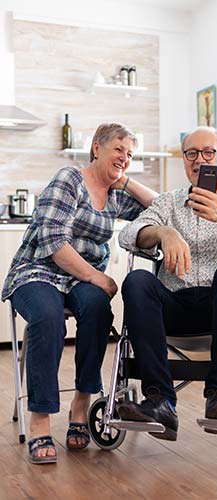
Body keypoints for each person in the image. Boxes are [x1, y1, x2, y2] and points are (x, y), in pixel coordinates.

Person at [1, 122, 158, 464]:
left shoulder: (115, 194)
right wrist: (97, 278)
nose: (124, 157)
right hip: (38, 270)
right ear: (96, 147)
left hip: (79, 281)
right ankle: (40, 419)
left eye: (129, 154)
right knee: (47, 317)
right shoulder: (69, 179)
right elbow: (54, 242)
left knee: (99, 311)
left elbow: (159, 207)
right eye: (118, 149)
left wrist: (125, 179)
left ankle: (81, 405)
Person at [117, 126, 217, 441]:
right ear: (184, 160)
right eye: (192, 153)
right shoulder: (168, 203)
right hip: (175, 306)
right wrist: (163, 232)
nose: (200, 160)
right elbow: (127, 235)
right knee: (137, 280)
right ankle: (160, 400)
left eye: (209, 152)